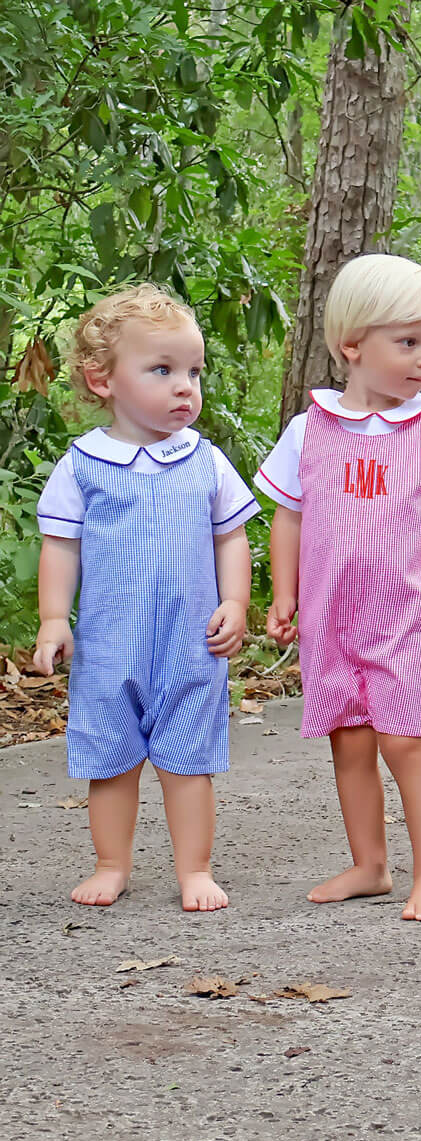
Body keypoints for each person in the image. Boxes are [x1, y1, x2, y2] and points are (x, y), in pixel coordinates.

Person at [256, 255, 421, 919]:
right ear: (353, 345)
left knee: (405, 741)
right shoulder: (310, 429)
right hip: (332, 619)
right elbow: (289, 515)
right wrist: (284, 593)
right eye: (408, 342)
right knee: (350, 742)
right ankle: (369, 865)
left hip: (405, 616)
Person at [33, 284, 258, 911]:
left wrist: (236, 603)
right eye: (162, 370)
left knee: (188, 761)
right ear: (101, 380)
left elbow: (231, 537)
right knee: (110, 760)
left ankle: (196, 870)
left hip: (189, 642)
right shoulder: (82, 465)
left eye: (193, 372)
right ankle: (111, 864)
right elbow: (61, 547)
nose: (185, 386)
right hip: (109, 646)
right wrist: (54, 618)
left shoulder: (205, 461)